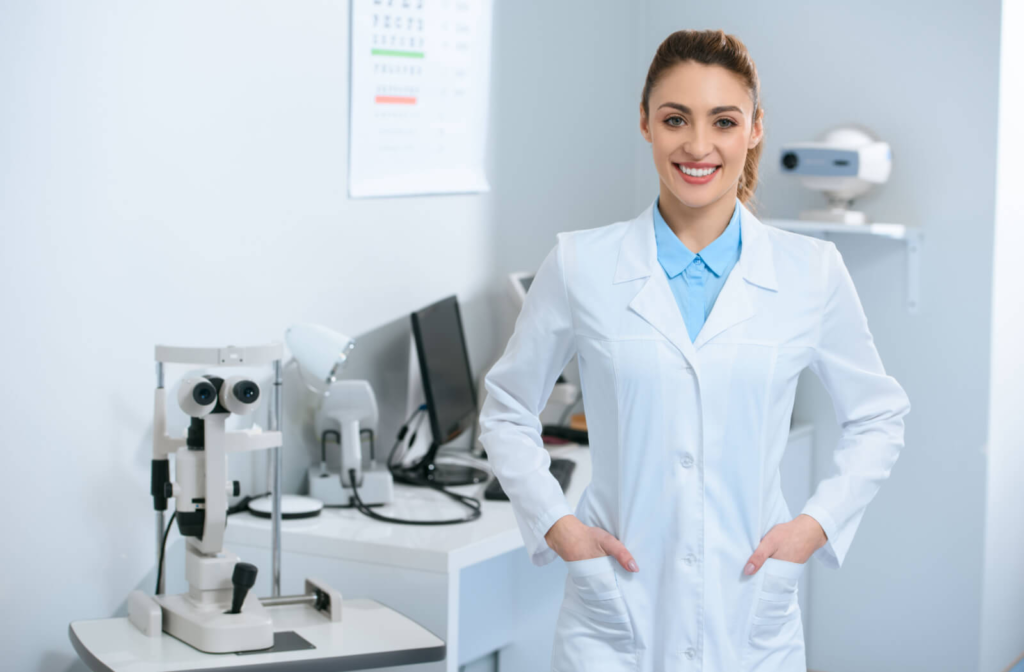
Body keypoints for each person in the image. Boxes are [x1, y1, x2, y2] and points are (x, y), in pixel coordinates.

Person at [477, 28, 910, 672]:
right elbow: (508, 408)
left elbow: (879, 416)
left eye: (724, 121)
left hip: (750, 614)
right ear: (646, 124)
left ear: (755, 129)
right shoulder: (580, 264)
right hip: (614, 616)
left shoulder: (810, 272)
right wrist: (558, 526)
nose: (698, 146)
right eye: (676, 118)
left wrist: (813, 527)